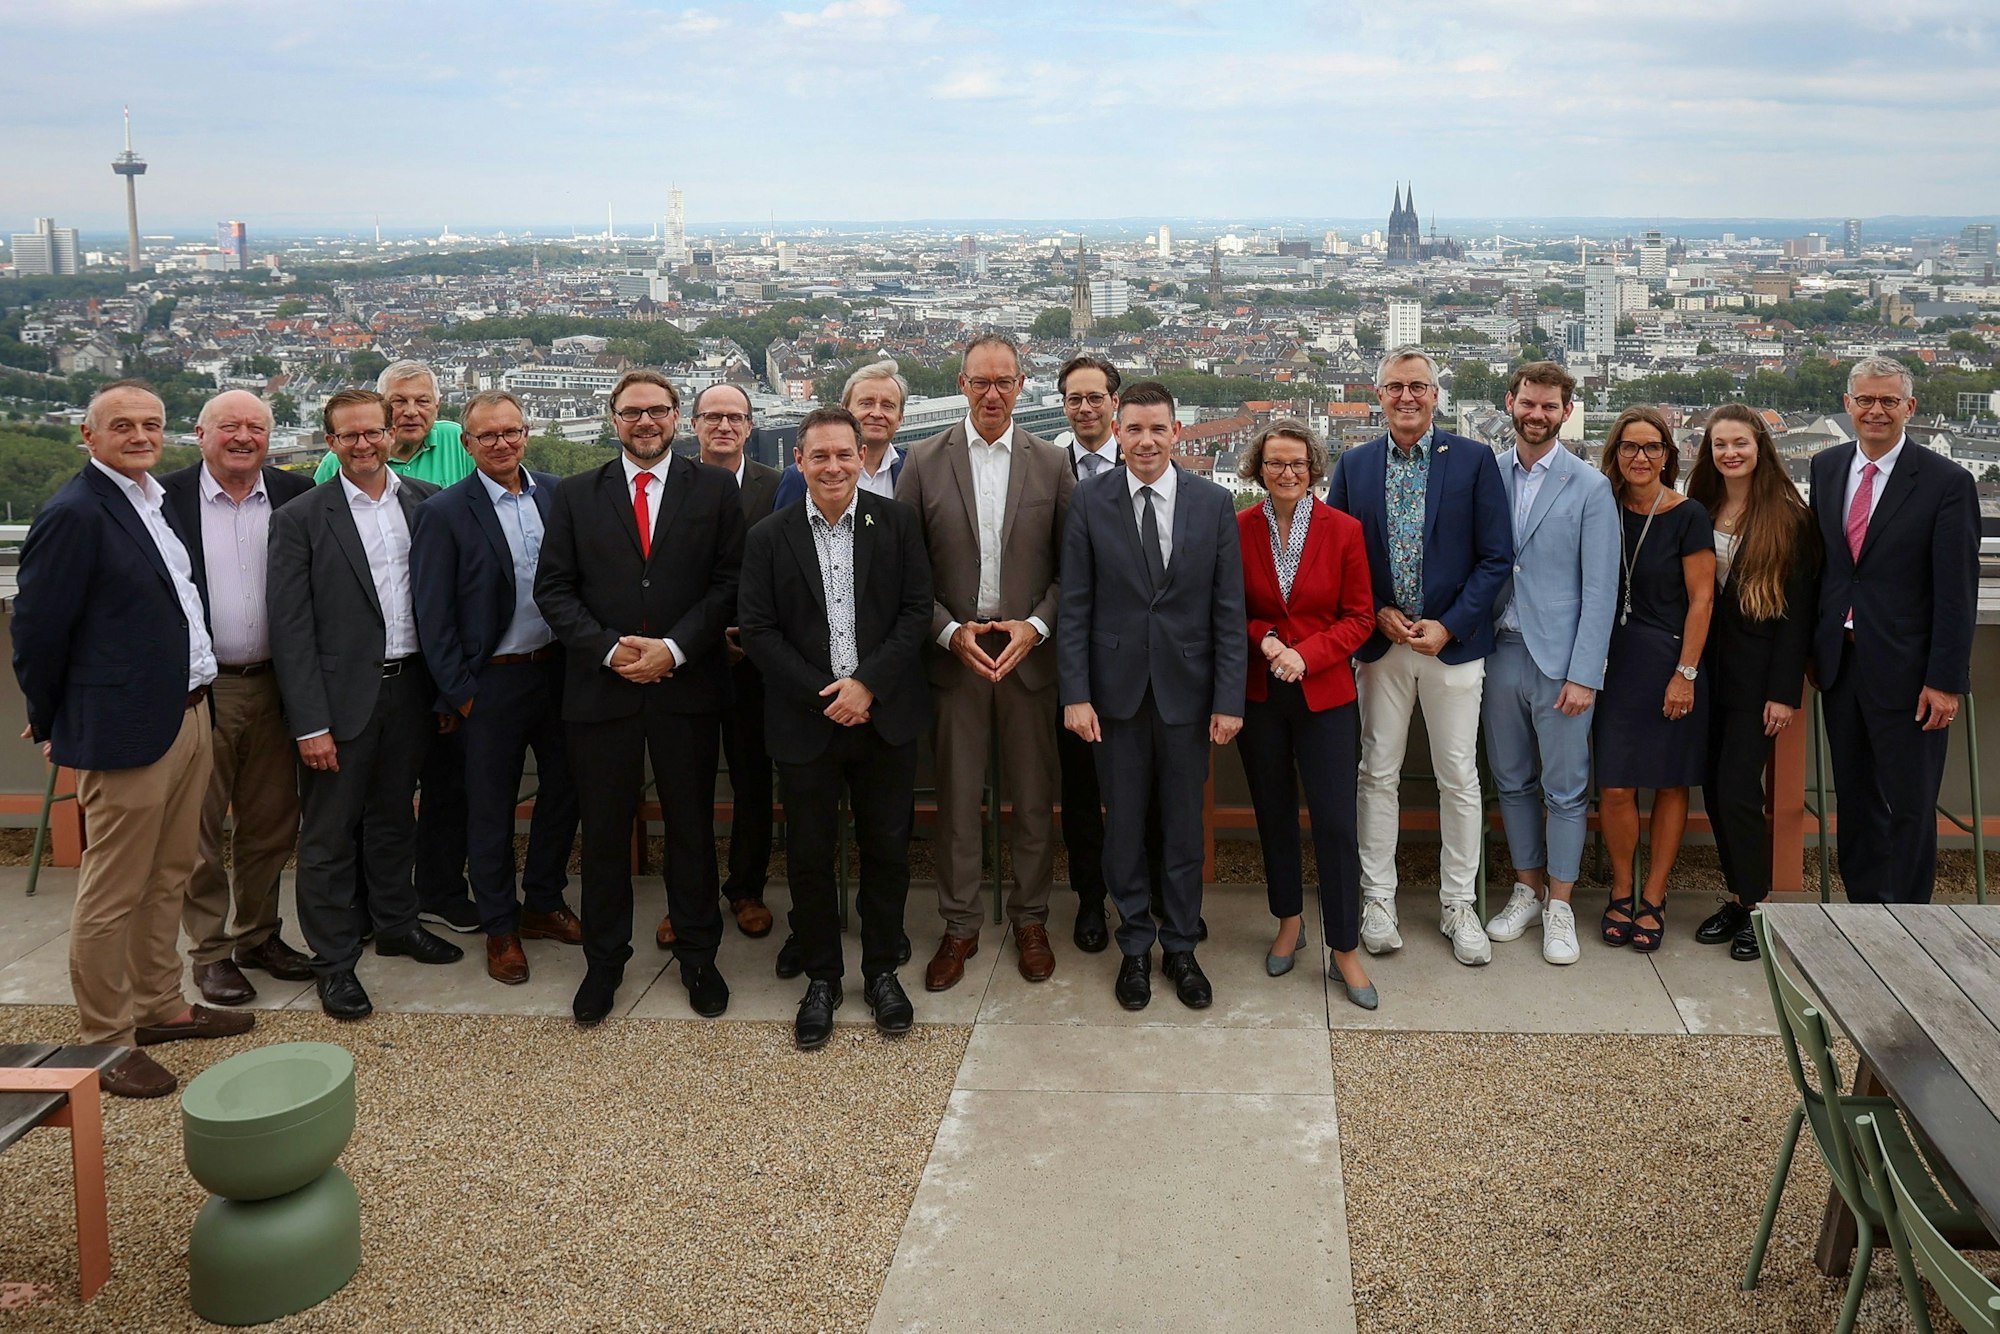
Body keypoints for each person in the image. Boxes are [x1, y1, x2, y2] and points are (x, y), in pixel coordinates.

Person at [11, 380, 251, 1099]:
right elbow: (38, 631)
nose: (141, 435)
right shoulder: (76, 513)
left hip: (189, 712)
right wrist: (53, 719)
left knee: (170, 872)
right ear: (89, 435)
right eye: (122, 425)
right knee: (113, 889)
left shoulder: (151, 500)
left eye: (151, 424)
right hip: (123, 727)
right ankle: (106, 1038)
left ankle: (160, 1006)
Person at [534, 369, 745, 1025]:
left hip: (687, 686)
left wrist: (673, 650)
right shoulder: (575, 494)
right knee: (601, 835)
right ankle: (604, 962)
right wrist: (609, 650)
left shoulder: (714, 489)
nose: (645, 422)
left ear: (678, 416)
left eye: (657, 410)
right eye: (632, 412)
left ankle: (698, 955)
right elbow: (553, 589)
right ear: (613, 418)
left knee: (692, 829)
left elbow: (730, 582)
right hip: (603, 690)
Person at [739, 407, 931, 1049]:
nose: (833, 466)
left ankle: (881, 973)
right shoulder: (769, 536)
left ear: (862, 456)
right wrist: (826, 694)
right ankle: (822, 978)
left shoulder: (897, 523)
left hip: (884, 717)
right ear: (798, 461)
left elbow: (915, 612)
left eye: (844, 454)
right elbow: (758, 630)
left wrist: (866, 684)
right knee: (809, 856)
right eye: (818, 455)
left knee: (887, 852)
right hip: (807, 720)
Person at [269, 388, 465, 1019]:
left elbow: (442, 606)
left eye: (372, 432)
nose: (363, 444)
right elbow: (291, 630)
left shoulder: (425, 502)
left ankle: (396, 924)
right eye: (348, 435)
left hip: (411, 689)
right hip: (339, 700)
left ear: (391, 434)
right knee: (328, 836)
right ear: (330, 443)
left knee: (393, 819)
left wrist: (444, 690)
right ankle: (333, 962)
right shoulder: (300, 517)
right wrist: (310, 724)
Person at [1059, 381, 1246, 1011]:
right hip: (1113, 697)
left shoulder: (1213, 503)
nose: (1145, 441)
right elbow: (1076, 607)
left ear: (1176, 432)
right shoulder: (1089, 500)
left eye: (1157, 429)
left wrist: (1229, 699)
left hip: (1188, 697)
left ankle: (1182, 947)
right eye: (1133, 429)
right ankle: (1135, 946)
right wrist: (1076, 694)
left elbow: (1228, 610)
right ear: (1117, 431)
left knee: (1184, 830)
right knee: (1123, 828)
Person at [896, 335, 1074, 991]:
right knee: (957, 800)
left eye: (1004, 381)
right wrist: (946, 632)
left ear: (1022, 385)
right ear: (962, 384)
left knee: (1033, 801)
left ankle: (1031, 920)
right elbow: (904, 571)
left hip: (1029, 656)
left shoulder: (1051, 462)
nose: (992, 394)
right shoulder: (923, 460)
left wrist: (1036, 627)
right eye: (981, 382)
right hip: (955, 658)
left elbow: (1073, 568)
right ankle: (960, 925)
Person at [1327, 346, 1511, 967]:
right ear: (1378, 395)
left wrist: (1450, 625)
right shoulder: (1354, 464)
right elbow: (1338, 555)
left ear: (1436, 395)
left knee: (1458, 775)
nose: (1407, 397)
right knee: (1377, 771)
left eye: (1418, 387)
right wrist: (1375, 609)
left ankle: (1459, 903)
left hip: (1451, 647)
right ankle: (1378, 898)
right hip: (1382, 645)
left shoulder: (1474, 459)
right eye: (1395, 387)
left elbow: (1496, 557)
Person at [409, 389, 584, 986]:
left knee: (566, 791)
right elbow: (432, 613)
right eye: (488, 435)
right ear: (467, 444)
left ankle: (543, 901)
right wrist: (461, 692)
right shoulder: (444, 513)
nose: (502, 443)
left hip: (557, 673)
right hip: (491, 683)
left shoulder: (559, 495)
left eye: (512, 431)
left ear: (527, 433)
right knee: (489, 808)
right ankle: (500, 926)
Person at [160, 390, 316, 1006]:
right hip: (200, 688)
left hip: (280, 683)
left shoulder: (296, 493)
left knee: (271, 822)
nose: (244, 437)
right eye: (229, 426)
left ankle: (258, 935)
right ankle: (209, 953)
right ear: (201, 434)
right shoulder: (163, 498)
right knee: (198, 829)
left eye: (256, 426)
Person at [1809, 355, 1978, 904]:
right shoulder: (1827, 468)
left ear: (1910, 407)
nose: (1875, 411)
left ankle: (1908, 922)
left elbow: (1957, 593)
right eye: (1865, 400)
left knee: (1910, 805)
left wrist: (1945, 682)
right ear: (1847, 404)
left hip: (1911, 673)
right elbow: (1826, 568)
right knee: (1855, 799)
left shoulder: (1946, 482)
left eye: (1888, 400)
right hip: (1842, 663)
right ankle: (1863, 915)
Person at [315, 360, 475, 931]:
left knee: (448, 783)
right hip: (368, 662)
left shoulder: (458, 442)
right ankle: (369, 904)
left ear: (438, 406)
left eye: (422, 401)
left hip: (442, 653)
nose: (411, 412)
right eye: (398, 402)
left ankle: (439, 890)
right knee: (371, 794)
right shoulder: (342, 462)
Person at [1479, 363, 1619, 967]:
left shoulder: (1589, 487)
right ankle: (1528, 890)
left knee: (1566, 788)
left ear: (1566, 411)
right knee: (1510, 780)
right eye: (1528, 403)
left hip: (1561, 661)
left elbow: (1601, 589)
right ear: (1510, 403)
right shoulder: (1487, 473)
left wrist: (1585, 673)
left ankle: (1561, 903)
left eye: (1549, 406)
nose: (1537, 414)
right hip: (1497, 650)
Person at [1234, 421, 1378, 1008]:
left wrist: (1307, 655)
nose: (1286, 472)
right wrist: (1267, 640)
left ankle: (1344, 946)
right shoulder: (1238, 528)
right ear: (1258, 468)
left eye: (1297, 463)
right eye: (1275, 462)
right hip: (1261, 694)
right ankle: (1289, 921)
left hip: (1325, 696)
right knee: (1274, 814)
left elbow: (1360, 617)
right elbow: (1227, 607)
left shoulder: (1344, 530)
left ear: (1314, 467)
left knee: (1337, 823)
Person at [1685, 404, 1816, 958]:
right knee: (1715, 790)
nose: (1730, 453)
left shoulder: (1789, 517)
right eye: (1720, 444)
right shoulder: (1700, 504)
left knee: (1738, 790)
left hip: (1757, 680)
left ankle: (1757, 907)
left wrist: (1784, 693)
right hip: (1704, 673)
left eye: (1740, 443)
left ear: (1761, 447)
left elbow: (1799, 615)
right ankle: (1741, 899)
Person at [1050, 354, 1166, 952]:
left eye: (1096, 397)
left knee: (1149, 792)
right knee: (1080, 789)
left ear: (1115, 405)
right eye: (1074, 398)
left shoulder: (1147, 460)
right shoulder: (1046, 465)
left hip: (1145, 663)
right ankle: (1091, 899)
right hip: (1076, 656)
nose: (1085, 408)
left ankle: (1150, 898)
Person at [1593, 406, 1715, 952]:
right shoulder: (1600, 506)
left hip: (1670, 661)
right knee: (1616, 784)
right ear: (1615, 453)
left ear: (1668, 454)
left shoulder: (1688, 515)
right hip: (1611, 662)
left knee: (1669, 782)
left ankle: (1655, 895)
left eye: (1651, 447)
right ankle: (1622, 888)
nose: (1640, 457)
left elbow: (1702, 599)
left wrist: (1685, 673)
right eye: (1629, 446)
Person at [683, 381, 780, 947]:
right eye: (712, 416)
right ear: (693, 423)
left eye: (734, 417)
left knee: (752, 780)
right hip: (690, 659)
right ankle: (690, 898)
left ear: (750, 426)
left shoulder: (778, 484)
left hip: (754, 661)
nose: (723, 426)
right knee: (688, 784)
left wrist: (751, 634)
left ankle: (746, 888)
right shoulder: (672, 483)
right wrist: (701, 637)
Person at [773, 360, 908, 507]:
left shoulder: (912, 470)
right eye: (866, 403)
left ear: (900, 418)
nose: (876, 413)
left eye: (888, 406)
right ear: (845, 410)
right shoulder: (799, 477)